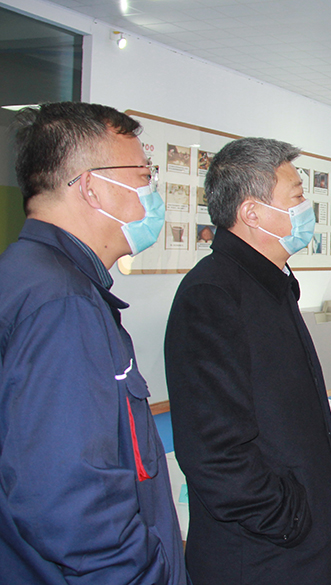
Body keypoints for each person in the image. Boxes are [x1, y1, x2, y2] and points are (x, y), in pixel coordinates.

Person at [0, 102, 186, 584]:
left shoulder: (27, 275)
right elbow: (69, 498)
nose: (152, 193)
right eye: (143, 177)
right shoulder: (63, 304)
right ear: (91, 187)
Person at [164, 137, 331, 584]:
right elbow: (215, 452)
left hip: (307, 542)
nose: (306, 209)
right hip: (264, 555)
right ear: (252, 212)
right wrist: (288, 517)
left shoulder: (271, 283)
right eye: (297, 197)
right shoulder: (212, 295)